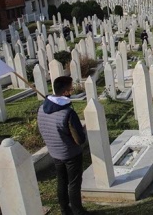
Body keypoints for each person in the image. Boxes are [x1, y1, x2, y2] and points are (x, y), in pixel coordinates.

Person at [37, 76, 88, 215]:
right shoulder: (68, 113)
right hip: (71, 154)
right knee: (74, 183)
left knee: (62, 181)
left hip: (55, 152)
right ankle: (78, 211)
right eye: (71, 89)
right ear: (65, 92)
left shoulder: (41, 108)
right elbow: (79, 139)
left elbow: (43, 129)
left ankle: (65, 210)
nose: (72, 91)